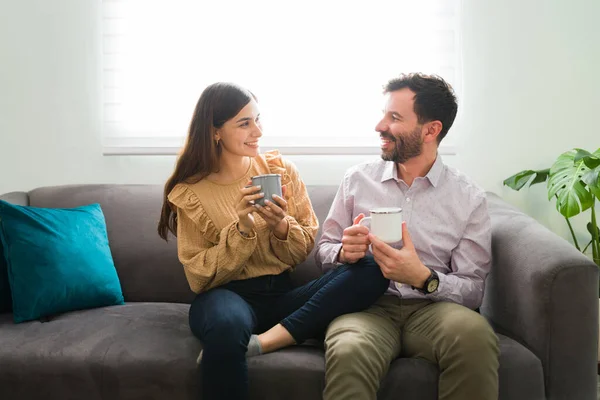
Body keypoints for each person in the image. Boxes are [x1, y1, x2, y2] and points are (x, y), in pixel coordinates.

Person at [157, 82, 390, 400]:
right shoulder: (192, 193)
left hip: (283, 294)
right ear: (215, 132)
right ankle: (291, 332)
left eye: (258, 119)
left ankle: (268, 340)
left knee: (371, 268)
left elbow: (302, 249)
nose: (258, 131)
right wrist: (242, 227)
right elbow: (199, 277)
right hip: (226, 297)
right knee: (226, 328)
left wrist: (281, 224)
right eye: (244, 123)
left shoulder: (281, 171)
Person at [316, 73, 499, 400]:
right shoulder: (357, 180)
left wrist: (425, 278)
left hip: (433, 310)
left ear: (431, 130)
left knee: (474, 335)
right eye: (384, 114)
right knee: (348, 349)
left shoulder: (468, 198)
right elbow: (324, 250)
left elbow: (473, 288)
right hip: (365, 306)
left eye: (394, 118)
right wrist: (345, 252)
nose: (379, 126)